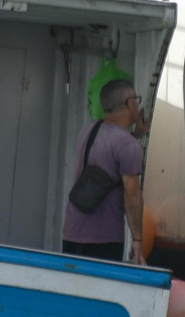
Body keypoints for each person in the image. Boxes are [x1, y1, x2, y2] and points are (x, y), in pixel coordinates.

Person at [63, 79, 147, 264]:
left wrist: (137, 136)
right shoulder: (127, 144)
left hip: (72, 233)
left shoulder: (88, 129)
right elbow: (132, 196)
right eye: (136, 99)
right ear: (130, 103)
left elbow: (110, 157)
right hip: (103, 240)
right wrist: (138, 240)